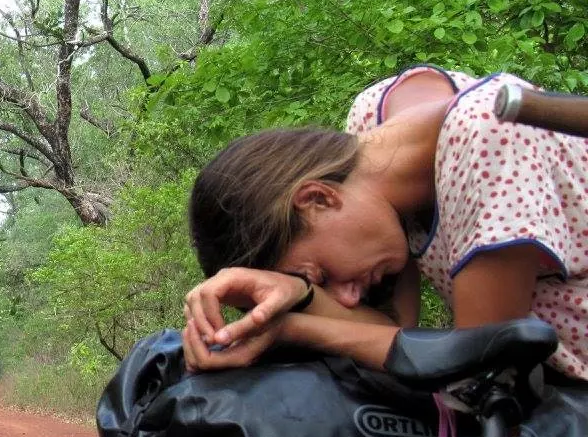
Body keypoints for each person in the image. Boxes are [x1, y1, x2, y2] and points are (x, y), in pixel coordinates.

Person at [182, 65, 588, 385]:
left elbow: (480, 372)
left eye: (320, 274)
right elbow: (396, 329)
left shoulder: (490, 137)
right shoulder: (371, 122)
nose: (345, 299)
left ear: (318, 198)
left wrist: (292, 329)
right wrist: (299, 292)